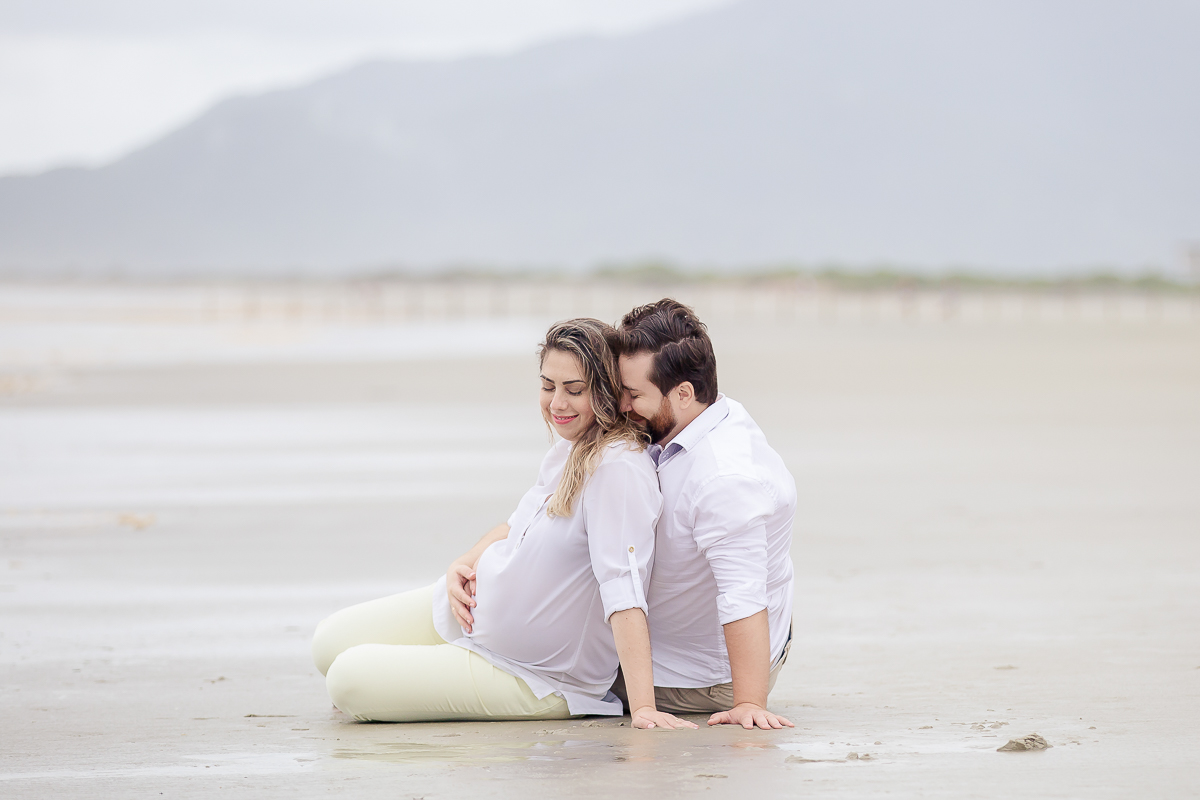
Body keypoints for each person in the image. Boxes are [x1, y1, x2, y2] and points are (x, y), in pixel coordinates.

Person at [311, 318, 695, 730]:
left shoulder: (618, 469)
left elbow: (625, 591)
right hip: (473, 610)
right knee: (327, 642)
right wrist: (467, 561)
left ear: (608, 393)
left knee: (348, 680)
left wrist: (643, 708)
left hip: (532, 674)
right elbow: (513, 528)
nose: (557, 404)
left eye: (575, 390)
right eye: (548, 386)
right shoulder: (570, 449)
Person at [612, 298, 797, 730]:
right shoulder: (706, 414)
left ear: (683, 393)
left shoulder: (723, 479)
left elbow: (743, 593)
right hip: (693, 639)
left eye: (634, 394)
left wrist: (748, 701)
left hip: (701, 678)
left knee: (544, 667)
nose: (621, 405)